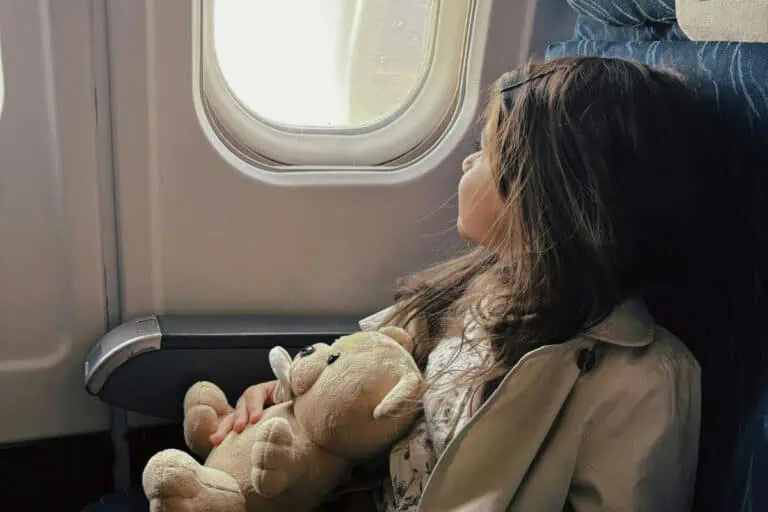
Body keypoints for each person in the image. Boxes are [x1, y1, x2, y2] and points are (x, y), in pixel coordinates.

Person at [210, 56, 719, 511]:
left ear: (546, 196)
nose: (467, 161)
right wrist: (288, 403)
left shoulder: (645, 382)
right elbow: (356, 378)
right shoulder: (473, 290)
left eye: (487, 150)